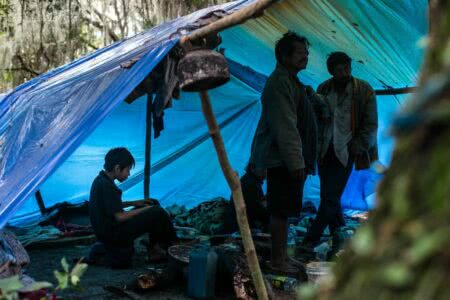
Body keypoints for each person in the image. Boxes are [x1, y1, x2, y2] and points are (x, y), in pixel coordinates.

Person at [251, 31, 321, 273]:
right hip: (282, 159)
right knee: (280, 210)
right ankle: (277, 260)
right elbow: (285, 126)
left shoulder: (292, 81)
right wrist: (296, 163)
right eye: (301, 53)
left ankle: (282, 256)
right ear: (284, 55)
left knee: (287, 209)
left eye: (306, 53)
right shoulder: (279, 83)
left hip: (288, 158)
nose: (306, 57)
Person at [303, 51, 378, 248]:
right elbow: (316, 118)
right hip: (325, 148)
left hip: (346, 150)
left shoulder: (363, 90)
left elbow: (371, 124)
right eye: (339, 69)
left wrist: (357, 146)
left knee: (329, 197)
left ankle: (310, 239)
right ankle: (342, 235)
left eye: (347, 68)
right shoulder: (324, 88)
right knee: (329, 196)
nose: (344, 72)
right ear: (331, 71)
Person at [88, 147, 177, 268]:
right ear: (117, 168)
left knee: (152, 203)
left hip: (109, 229)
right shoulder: (106, 185)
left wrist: (135, 203)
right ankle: (175, 244)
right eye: (128, 170)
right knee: (156, 211)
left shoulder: (101, 180)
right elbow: (119, 216)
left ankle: (155, 249)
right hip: (112, 233)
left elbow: (111, 205)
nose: (129, 174)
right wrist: (147, 210)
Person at [223, 163, 269, 234]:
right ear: (253, 169)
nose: (266, 172)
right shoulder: (250, 183)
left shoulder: (251, 180)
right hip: (238, 226)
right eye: (263, 169)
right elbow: (257, 210)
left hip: (239, 223)